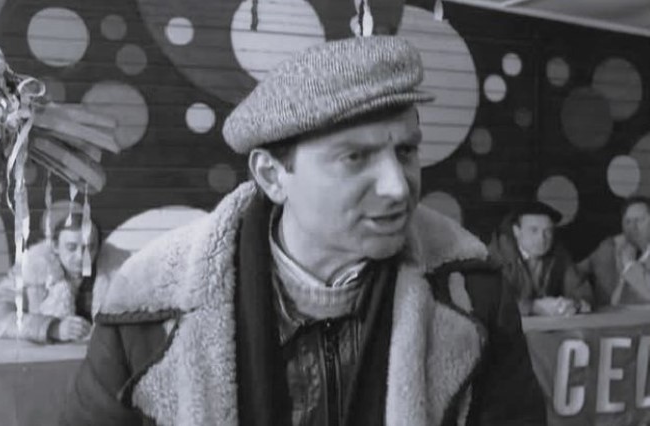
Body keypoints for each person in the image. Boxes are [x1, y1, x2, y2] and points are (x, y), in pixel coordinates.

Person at [61, 35, 545, 425]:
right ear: (272, 176)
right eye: (355, 157)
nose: (398, 187)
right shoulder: (147, 306)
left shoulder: (472, 293)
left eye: (406, 151)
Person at [0, 202, 128, 343]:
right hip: (49, 356)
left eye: (90, 247)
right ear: (55, 246)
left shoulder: (119, 270)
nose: (81, 257)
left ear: (99, 247)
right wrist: (52, 328)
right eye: (71, 248)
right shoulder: (30, 268)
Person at [488, 201, 592, 317]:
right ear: (516, 231)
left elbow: (582, 291)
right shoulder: (496, 256)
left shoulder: (559, 254)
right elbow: (491, 303)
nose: (541, 238)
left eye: (548, 231)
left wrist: (574, 304)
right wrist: (533, 307)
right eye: (534, 230)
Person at [577, 196, 650, 307]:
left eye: (639, 220)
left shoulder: (629, 258)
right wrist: (583, 298)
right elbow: (575, 274)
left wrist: (629, 265)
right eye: (628, 221)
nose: (633, 227)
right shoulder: (610, 248)